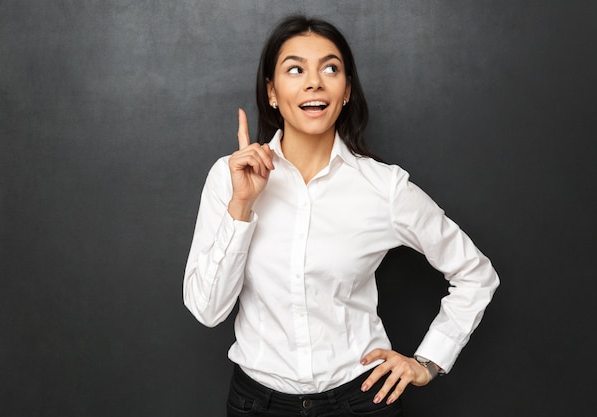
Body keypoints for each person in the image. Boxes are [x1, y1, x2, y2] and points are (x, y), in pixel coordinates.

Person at [183, 15, 499, 417]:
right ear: (272, 92)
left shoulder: (384, 188)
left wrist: (428, 362)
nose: (313, 82)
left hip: (360, 402)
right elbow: (207, 310)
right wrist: (241, 206)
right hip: (256, 404)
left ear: (346, 90)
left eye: (329, 68)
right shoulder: (229, 177)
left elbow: (476, 274)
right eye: (295, 69)